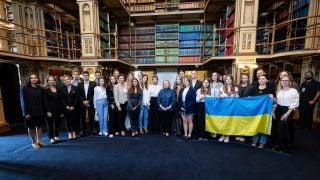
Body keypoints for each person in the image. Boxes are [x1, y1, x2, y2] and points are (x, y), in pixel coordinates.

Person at [248, 75, 276, 148]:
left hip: (265, 111)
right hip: (256, 111)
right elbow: (250, 99)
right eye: (259, 79)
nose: (261, 80)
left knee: (264, 125)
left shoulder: (270, 89)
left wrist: (272, 98)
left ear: (267, 80)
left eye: (263, 79)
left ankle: (262, 142)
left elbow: (275, 101)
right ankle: (254, 140)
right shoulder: (254, 89)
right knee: (255, 124)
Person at [21, 73, 47, 149]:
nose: (33, 79)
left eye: (35, 78)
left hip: (40, 111)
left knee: (39, 126)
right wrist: (26, 112)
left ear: (38, 79)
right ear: (29, 79)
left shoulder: (41, 88)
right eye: (32, 78)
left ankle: (39, 141)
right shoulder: (25, 88)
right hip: (29, 112)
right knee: (31, 127)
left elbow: (43, 101)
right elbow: (23, 101)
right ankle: (33, 142)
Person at [275, 75, 299, 152]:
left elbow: (294, 103)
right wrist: (273, 112)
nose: (284, 82)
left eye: (286, 80)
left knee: (280, 129)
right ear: (280, 82)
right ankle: (279, 145)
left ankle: (284, 147)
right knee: (278, 129)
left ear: (289, 82)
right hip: (278, 110)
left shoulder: (293, 91)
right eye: (282, 80)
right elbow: (277, 103)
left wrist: (287, 113)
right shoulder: (279, 91)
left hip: (287, 110)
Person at [218, 74, 239, 143]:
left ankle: (228, 135)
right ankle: (223, 134)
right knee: (223, 121)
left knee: (230, 121)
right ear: (225, 80)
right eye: (227, 79)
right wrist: (222, 95)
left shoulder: (235, 88)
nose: (228, 80)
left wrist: (235, 96)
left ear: (232, 80)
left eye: (230, 79)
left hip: (232, 108)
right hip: (224, 107)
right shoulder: (222, 87)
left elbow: (237, 97)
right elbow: (219, 95)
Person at [44, 76, 63, 144]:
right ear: (47, 81)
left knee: (57, 123)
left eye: (52, 80)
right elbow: (45, 102)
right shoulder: (45, 90)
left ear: (54, 81)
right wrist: (48, 111)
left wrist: (61, 111)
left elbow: (60, 100)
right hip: (50, 110)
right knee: (50, 125)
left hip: (58, 109)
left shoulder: (58, 89)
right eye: (50, 80)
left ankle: (56, 136)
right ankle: (52, 138)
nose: (51, 81)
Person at [60, 75, 79, 140]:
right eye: (65, 80)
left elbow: (77, 98)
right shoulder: (62, 88)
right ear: (63, 81)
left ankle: (74, 132)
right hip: (66, 108)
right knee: (67, 121)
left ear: (70, 79)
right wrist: (66, 106)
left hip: (74, 107)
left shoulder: (75, 87)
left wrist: (73, 106)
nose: (66, 81)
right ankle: (69, 133)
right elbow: (61, 99)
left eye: (67, 79)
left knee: (74, 120)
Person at [78, 71, 96, 136]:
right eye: (84, 75)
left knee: (91, 117)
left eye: (86, 75)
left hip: (90, 103)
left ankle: (91, 130)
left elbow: (94, 94)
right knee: (82, 117)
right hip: (82, 103)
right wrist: (83, 101)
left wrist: (89, 101)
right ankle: (83, 131)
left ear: (88, 76)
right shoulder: (79, 84)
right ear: (82, 76)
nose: (85, 76)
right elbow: (79, 94)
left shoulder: (93, 83)